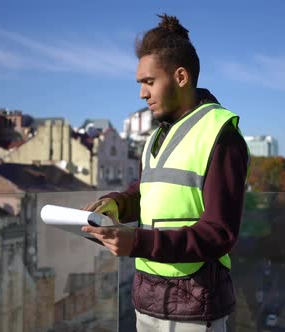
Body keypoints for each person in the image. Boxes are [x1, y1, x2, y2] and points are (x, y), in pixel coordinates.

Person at [82, 13, 249, 331]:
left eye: (149, 82)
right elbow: (146, 189)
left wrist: (137, 243)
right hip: (147, 301)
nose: (142, 94)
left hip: (195, 307)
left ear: (181, 77)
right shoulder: (159, 135)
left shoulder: (220, 133)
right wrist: (116, 203)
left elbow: (219, 233)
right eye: (140, 84)